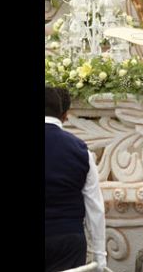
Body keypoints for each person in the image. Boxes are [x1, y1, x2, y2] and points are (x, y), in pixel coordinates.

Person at [45, 87, 107, 272]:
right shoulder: (81, 151)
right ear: (64, 115)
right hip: (68, 240)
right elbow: (95, 208)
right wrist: (99, 257)